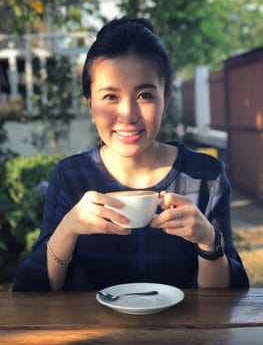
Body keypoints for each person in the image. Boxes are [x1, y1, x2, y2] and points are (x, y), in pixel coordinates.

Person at [13, 17, 249, 291]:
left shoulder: (206, 177)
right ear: (90, 104)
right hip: (91, 333)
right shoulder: (70, 176)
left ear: (166, 100)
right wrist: (69, 228)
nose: (127, 115)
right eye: (110, 97)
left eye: (145, 95)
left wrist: (209, 241)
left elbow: (226, 299)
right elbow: (34, 290)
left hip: (182, 333)